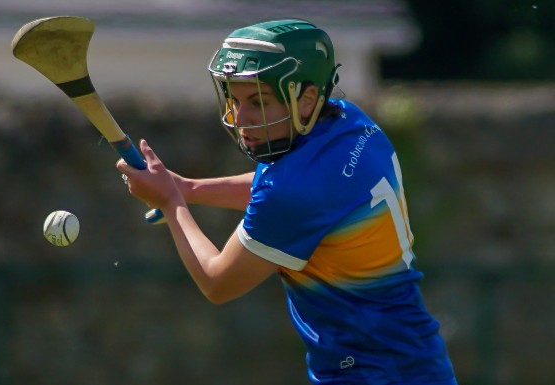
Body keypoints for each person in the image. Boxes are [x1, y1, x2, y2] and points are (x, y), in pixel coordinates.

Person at [116, 19, 457, 385]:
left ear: (307, 99)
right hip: (415, 362)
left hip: (370, 372)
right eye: (234, 98)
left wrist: (171, 203)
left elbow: (217, 282)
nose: (241, 118)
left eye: (259, 102)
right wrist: (192, 189)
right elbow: (289, 195)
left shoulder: (295, 189)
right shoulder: (350, 125)